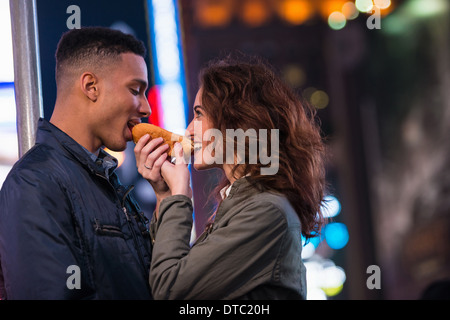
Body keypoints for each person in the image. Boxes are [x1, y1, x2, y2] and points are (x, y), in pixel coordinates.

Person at [134, 56, 327, 299]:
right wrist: (165, 195)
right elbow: (156, 275)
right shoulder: (245, 204)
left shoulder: (267, 212)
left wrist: (180, 195)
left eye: (199, 114)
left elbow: (169, 290)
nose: (189, 130)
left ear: (238, 119)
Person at [0, 27, 153, 299]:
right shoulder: (34, 182)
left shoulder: (106, 179)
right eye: (135, 90)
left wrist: (167, 197)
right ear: (91, 87)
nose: (146, 108)